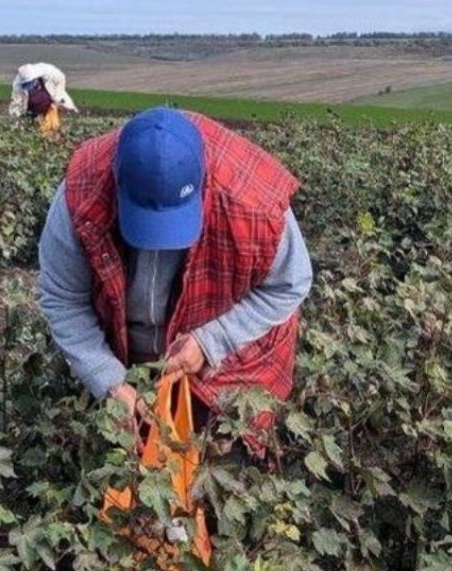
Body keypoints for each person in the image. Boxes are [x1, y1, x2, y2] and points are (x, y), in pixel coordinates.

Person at [38, 107, 311, 457]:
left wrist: (211, 341)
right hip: (121, 351)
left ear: (204, 185)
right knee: (127, 468)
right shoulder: (81, 192)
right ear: (116, 183)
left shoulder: (253, 200)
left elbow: (292, 283)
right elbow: (63, 299)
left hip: (232, 356)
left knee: (219, 465)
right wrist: (109, 381)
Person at [9, 63, 78, 137]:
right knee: (38, 131)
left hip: (52, 105)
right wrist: (16, 126)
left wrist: (57, 97)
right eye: (26, 84)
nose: (28, 86)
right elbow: (16, 105)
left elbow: (61, 78)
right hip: (34, 111)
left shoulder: (46, 71)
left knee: (56, 127)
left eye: (29, 83)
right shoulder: (18, 85)